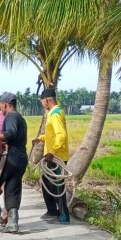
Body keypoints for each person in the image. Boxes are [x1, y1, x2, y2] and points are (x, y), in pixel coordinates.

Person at [0, 92, 28, 233]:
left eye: (0, 105)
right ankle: (13, 223)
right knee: (12, 189)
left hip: (10, 158)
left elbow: (11, 133)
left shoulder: (11, 116)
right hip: (21, 159)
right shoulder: (20, 117)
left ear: (4, 104)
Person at [36, 87, 71, 224]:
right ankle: (52, 211)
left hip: (57, 157)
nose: (42, 104)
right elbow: (52, 134)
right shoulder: (53, 113)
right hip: (53, 156)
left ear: (47, 100)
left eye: (42, 102)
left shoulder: (55, 114)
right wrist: (41, 138)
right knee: (47, 183)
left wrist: (52, 151)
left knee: (58, 187)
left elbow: (61, 135)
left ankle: (63, 216)